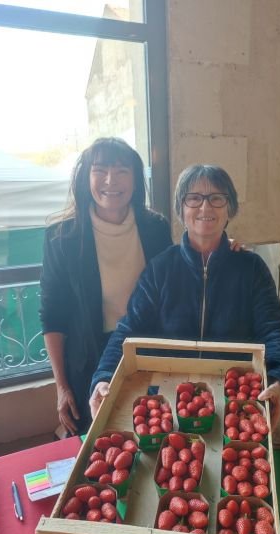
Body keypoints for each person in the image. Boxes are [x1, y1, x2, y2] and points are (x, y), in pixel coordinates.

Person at [89, 164, 280, 430]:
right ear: (180, 209)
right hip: (171, 401)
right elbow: (128, 330)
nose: (205, 208)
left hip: (236, 400)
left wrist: (278, 379)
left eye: (217, 198)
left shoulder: (251, 268)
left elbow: (274, 329)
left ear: (229, 208)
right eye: (193, 198)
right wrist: (104, 377)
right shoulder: (160, 269)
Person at [39, 137, 172, 435]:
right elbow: (52, 315)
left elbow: (177, 277)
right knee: (101, 445)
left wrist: (220, 250)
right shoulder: (62, 238)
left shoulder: (156, 228)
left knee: (153, 434)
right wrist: (62, 387)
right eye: (100, 170)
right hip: (88, 358)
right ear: (86, 178)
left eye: (122, 170)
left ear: (136, 180)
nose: (111, 180)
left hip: (147, 350)